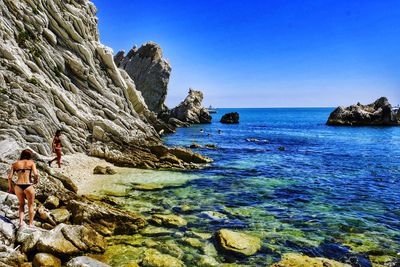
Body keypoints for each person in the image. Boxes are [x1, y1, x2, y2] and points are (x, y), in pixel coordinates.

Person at [7, 149, 39, 227]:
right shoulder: (31, 163)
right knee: (30, 205)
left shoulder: (15, 164)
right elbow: (36, 174)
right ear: (29, 156)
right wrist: (36, 180)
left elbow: (10, 177)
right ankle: (31, 224)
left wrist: (10, 187)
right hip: (28, 185)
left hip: (18, 186)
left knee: (21, 204)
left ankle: (21, 223)